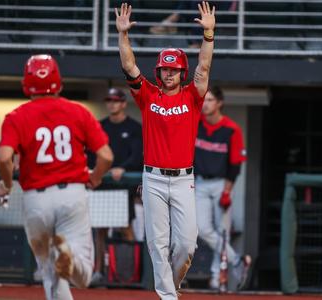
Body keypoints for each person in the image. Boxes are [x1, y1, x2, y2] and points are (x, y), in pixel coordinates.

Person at [115, 1, 215, 299]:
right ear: (158, 71)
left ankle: (172, 284)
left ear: (181, 71)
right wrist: (123, 35)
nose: (169, 74)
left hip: (184, 179)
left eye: (173, 70)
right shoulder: (148, 94)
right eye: (164, 69)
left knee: (187, 243)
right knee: (157, 242)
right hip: (154, 178)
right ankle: (167, 296)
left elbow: (205, 67)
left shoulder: (193, 96)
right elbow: (129, 66)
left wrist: (209, 34)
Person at [0, 54, 113, 300]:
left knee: (49, 274)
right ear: (59, 82)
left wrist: (6, 184)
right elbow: (106, 156)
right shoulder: (78, 112)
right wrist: (96, 177)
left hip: (36, 199)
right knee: (83, 276)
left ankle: (60, 256)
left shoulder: (16, 116)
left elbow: (4, 158)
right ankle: (66, 255)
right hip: (71, 194)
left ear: (26, 84)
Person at [193, 86, 250, 290]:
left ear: (219, 103)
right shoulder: (195, 124)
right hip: (199, 182)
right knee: (203, 229)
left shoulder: (231, 129)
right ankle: (237, 261)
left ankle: (217, 275)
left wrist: (227, 191)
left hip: (221, 183)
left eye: (210, 100)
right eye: (204, 100)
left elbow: (235, 165)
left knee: (221, 231)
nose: (205, 104)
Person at [88, 87, 144, 285]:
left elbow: (137, 157)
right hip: (103, 184)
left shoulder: (134, 128)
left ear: (123, 104)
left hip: (123, 186)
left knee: (125, 226)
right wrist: (94, 171)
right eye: (109, 100)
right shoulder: (99, 126)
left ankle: (131, 272)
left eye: (116, 100)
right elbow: (91, 153)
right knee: (100, 229)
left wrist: (124, 168)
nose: (112, 104)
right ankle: (99, 271)